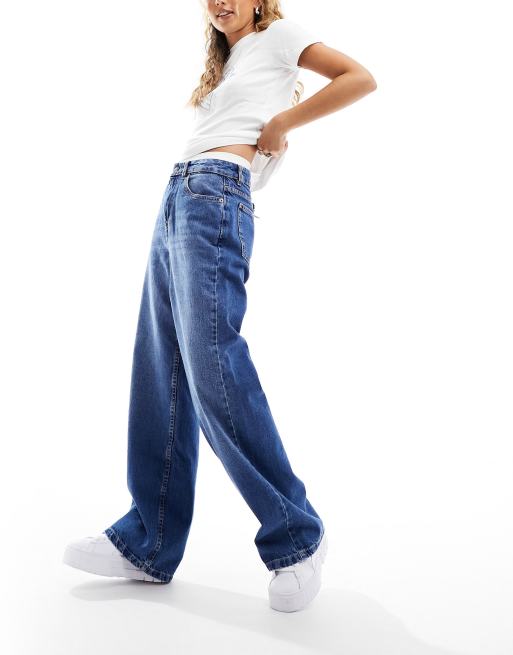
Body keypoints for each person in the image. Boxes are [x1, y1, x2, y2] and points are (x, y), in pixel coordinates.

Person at [63, 0, 377, 613]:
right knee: (162, 367)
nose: (220, 2)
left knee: (213, 363)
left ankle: (297, 536)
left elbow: (358, 77)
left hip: (215, 195)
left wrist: (283, 123)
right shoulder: (228, 60)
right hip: (180, 195)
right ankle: (149, 543)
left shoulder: (280, 34)